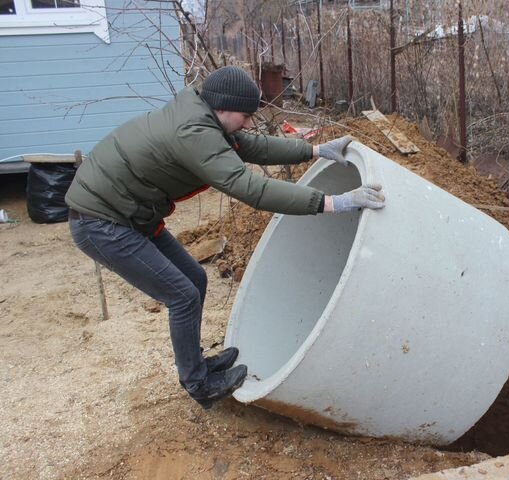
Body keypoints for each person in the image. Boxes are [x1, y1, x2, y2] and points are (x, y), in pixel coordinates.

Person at [65, 66, 385, 409]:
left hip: (127, 215)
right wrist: (333, 202)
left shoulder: (201, 116)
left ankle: (197, 364)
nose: (249, 123)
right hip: (102, 223)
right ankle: (198, 383)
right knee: (182, 295)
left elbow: (250, 145)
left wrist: (317, 151)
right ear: (222, 107)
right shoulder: (194, 132)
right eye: (246, 115)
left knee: (194, 279)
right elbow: (249, 188)